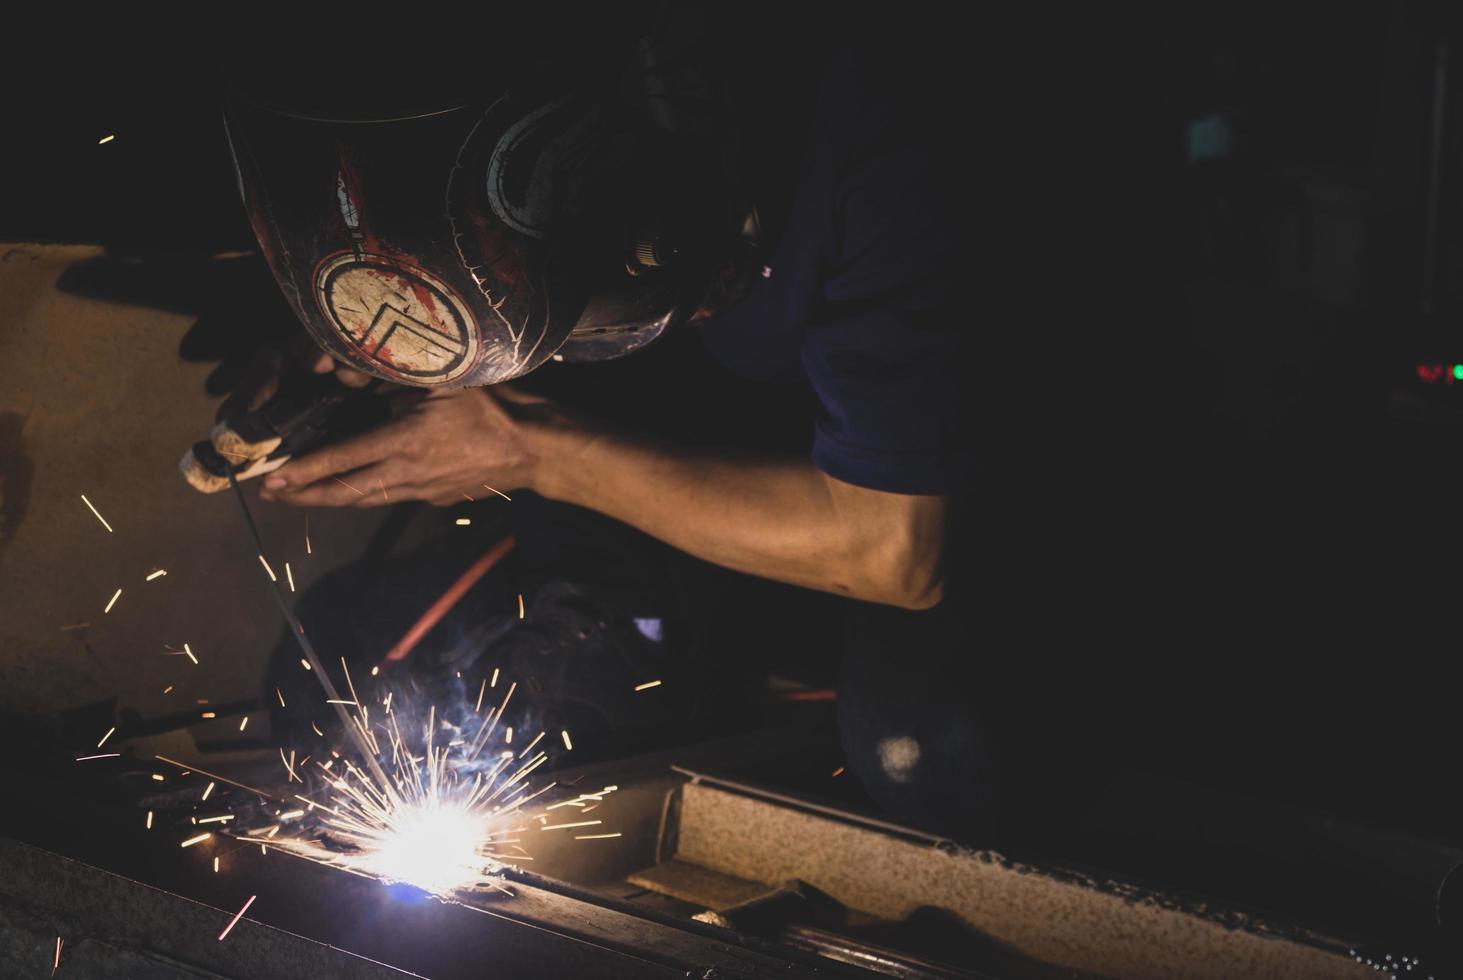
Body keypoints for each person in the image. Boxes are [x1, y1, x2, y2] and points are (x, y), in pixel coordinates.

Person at [226, 10, 976, 832]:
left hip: (960, 488)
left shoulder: (888, 144)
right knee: (331, 653)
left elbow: (896, 553)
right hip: (724, 380)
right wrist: (377, 336)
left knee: (926, 751)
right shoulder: (492, 93)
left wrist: (535, 451)